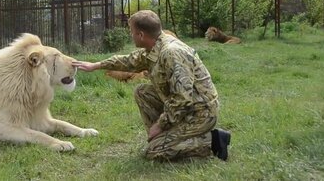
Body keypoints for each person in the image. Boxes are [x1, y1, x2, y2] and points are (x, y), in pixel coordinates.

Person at [73, 10, 231, 161]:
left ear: (141, 35)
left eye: (132, 31)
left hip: (199, 113)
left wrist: (160, 125)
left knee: (154, 151)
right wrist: (97, 65)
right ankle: (166, 137)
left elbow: (182, 99)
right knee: (142, 92)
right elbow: (129, 61)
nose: (130, 35)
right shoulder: (155, 46)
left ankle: (212, 140)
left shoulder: (171, 52)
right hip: (184, 107)